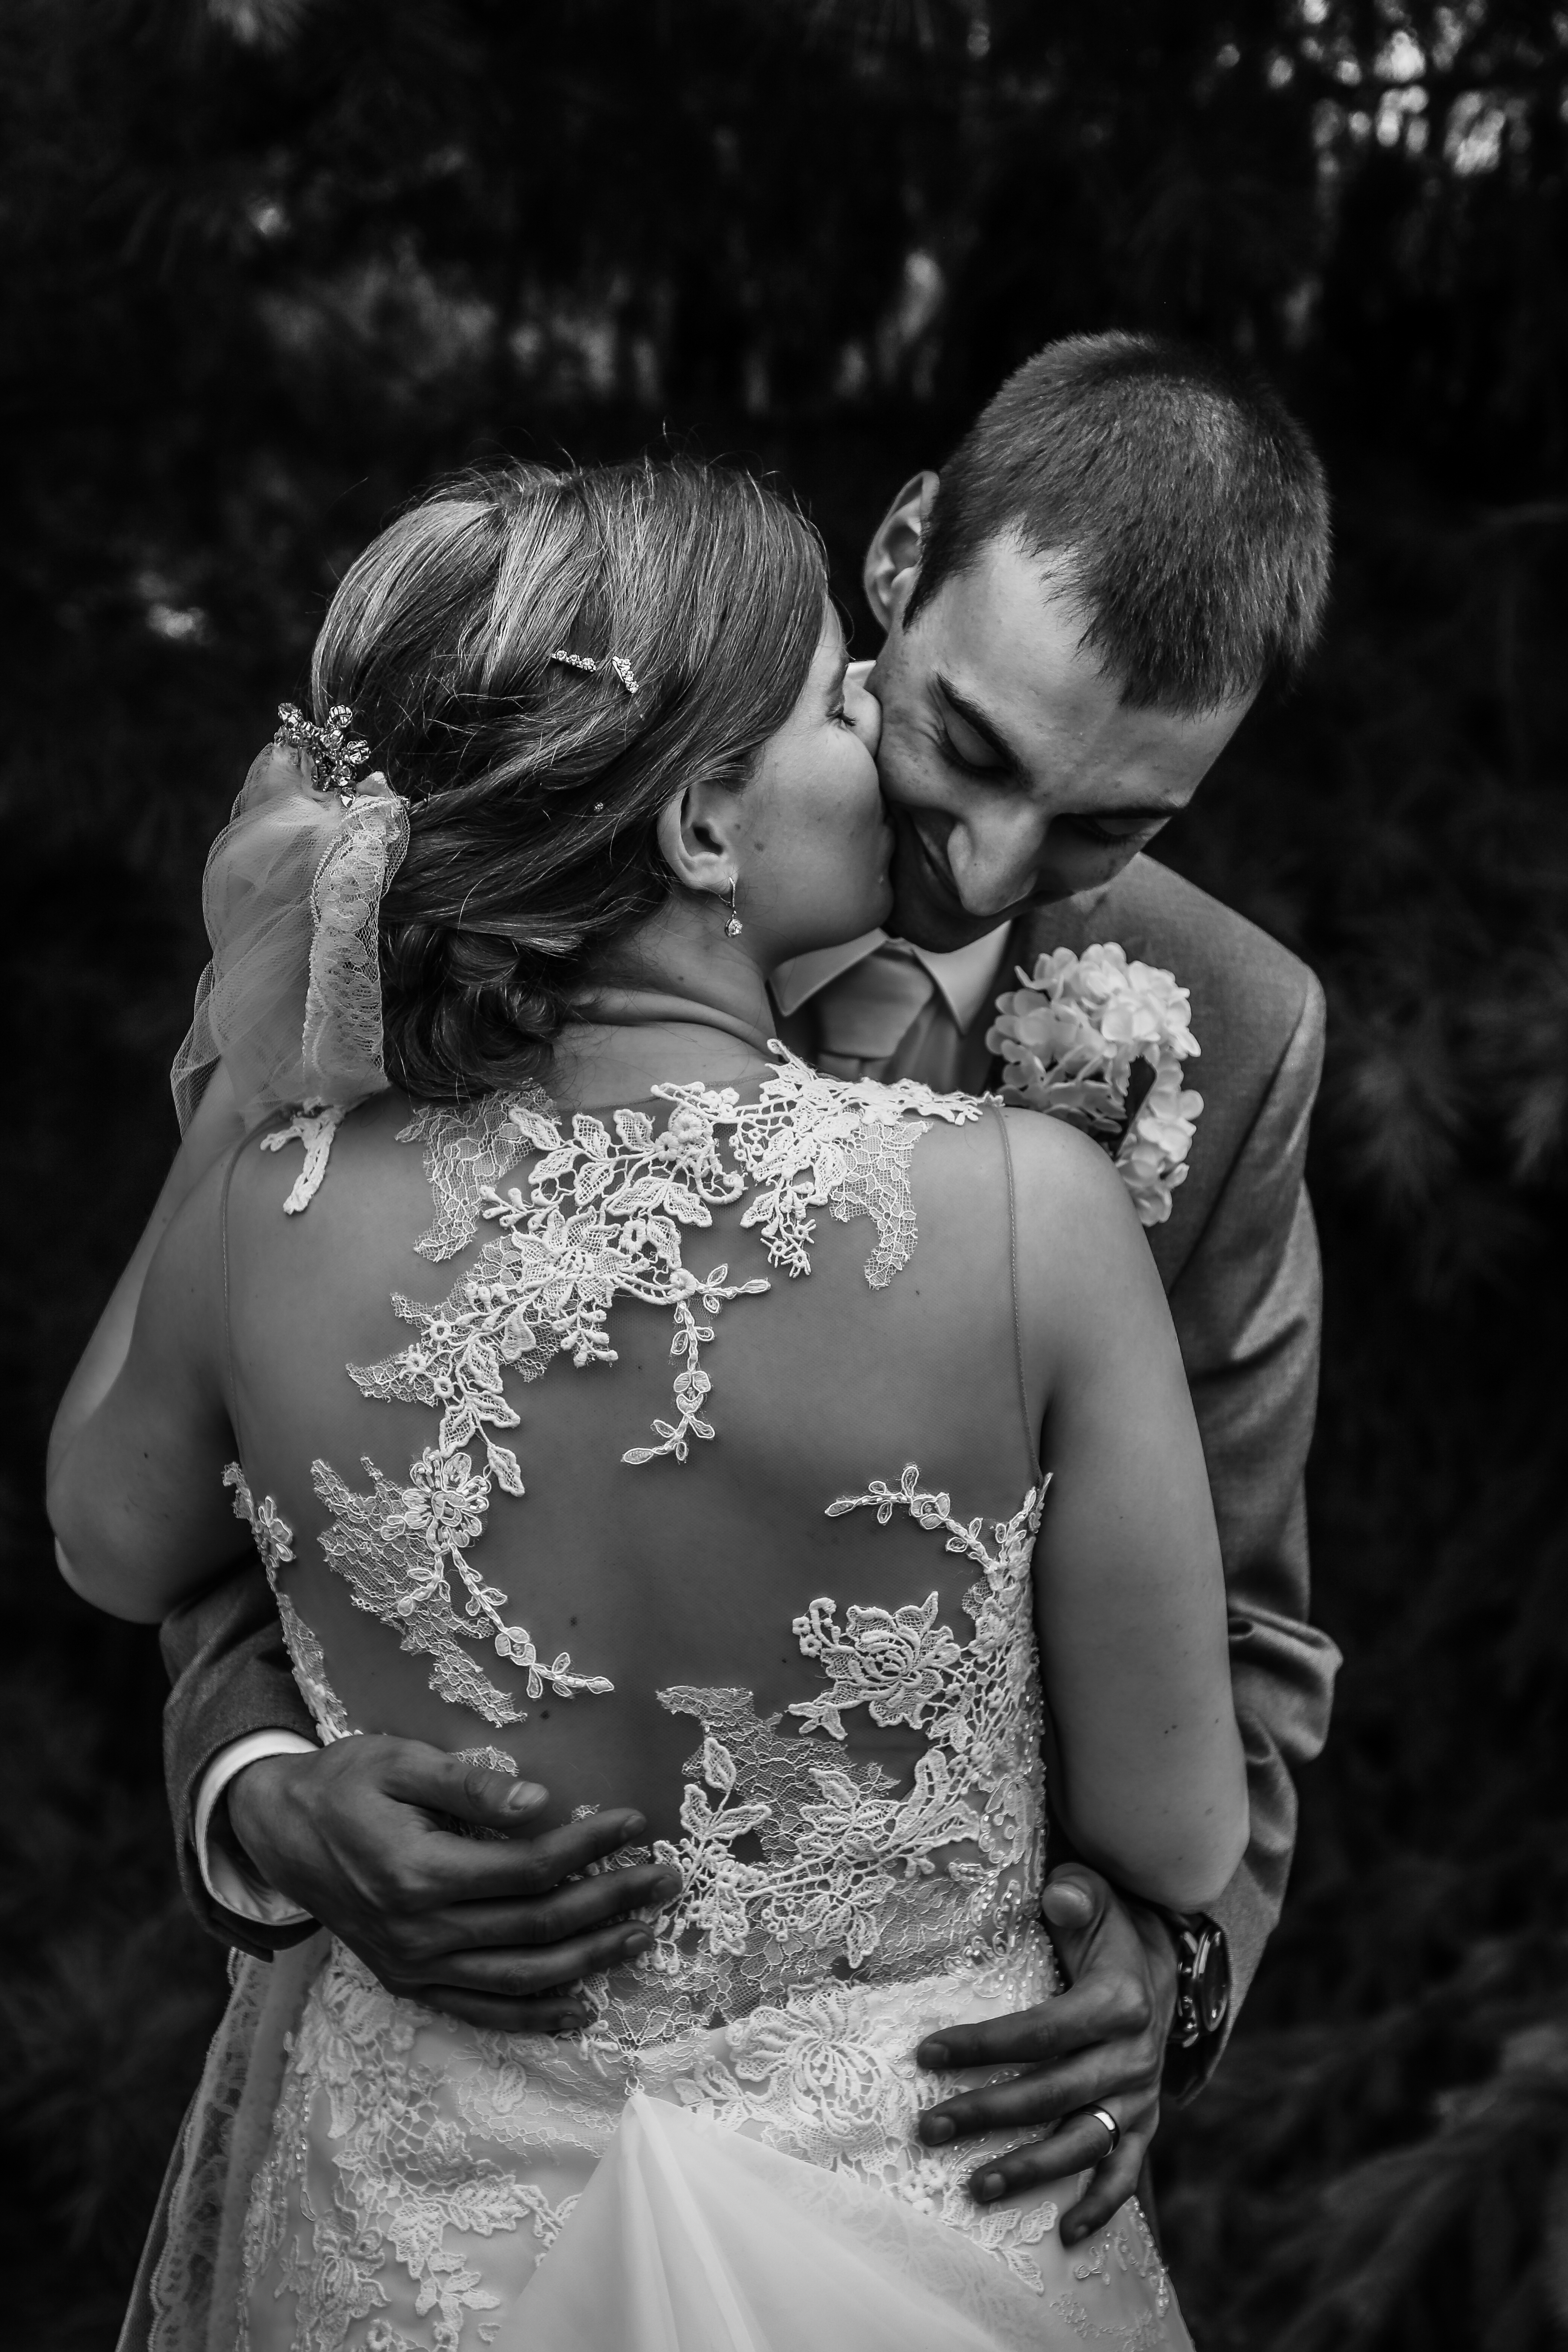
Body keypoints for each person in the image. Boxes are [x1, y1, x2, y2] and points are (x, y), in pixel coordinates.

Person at [155, 331, 1341, 2249]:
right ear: (896, 558)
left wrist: (1170, 1957)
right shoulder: (515, 886)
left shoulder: (1236, 1027)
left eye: (1112, 827)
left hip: (913, 2140)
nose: (992, 860)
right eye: (966, 745)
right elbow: (253, 1431)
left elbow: (1254, 1616)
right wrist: (260, 1790)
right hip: (469, 2109)